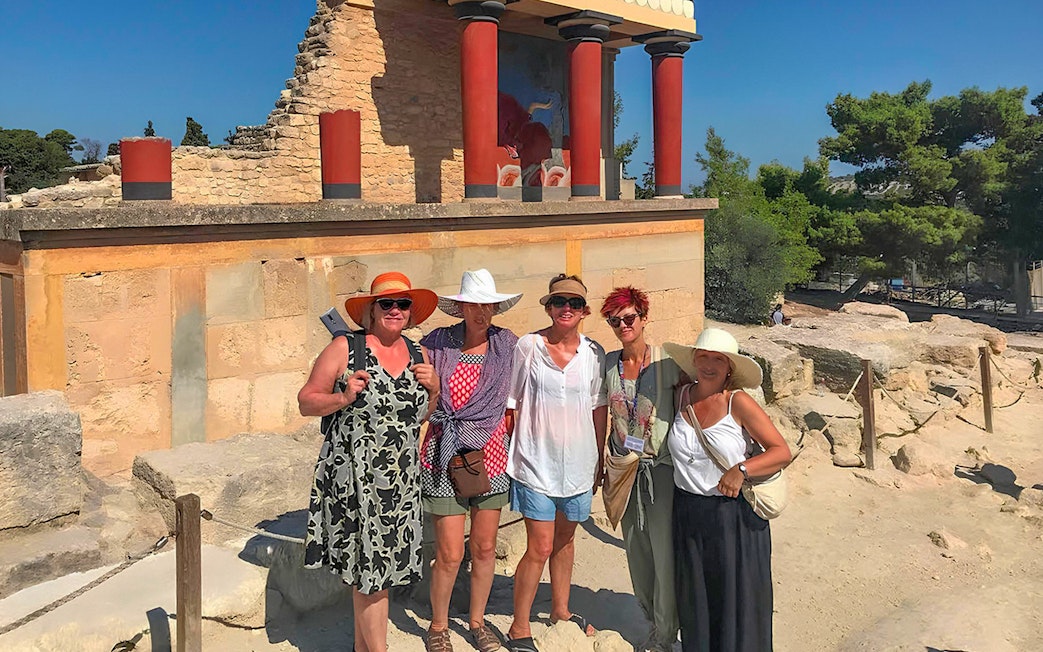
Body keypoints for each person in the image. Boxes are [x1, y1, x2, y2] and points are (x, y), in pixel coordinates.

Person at [298, 272, 441, 652]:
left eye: (403, 304)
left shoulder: (418, 354)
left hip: (400, 482)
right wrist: (343, 397)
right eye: (387, 304)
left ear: (411, 313)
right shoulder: (347, 348)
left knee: (380, 573)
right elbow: (306, 401)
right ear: (372, 310)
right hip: (356, 480)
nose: (395, 310)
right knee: (371, 574)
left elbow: (416, 417)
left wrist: (436, 390)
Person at [663, 328, 792, 652]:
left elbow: (780, 451)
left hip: (732, 516)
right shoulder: (680, 396)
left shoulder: (739, 402)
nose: (708, 364)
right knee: (696, 595)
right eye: (703, 357)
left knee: (737, 599)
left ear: (729, 367)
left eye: (717, 359)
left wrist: (742, 469)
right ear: (694, 360)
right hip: (688, 511)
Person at [419, 269, 522, 652]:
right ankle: (438, 626)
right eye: (474, 305)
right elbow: (418, 396)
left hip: (490, 455)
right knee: (449, 552)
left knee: (483, 546)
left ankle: (478, 623)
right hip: (444, 452)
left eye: (487, 305)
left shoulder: (507, 344)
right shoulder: (436, 343)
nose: (481, 313)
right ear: (461, 306)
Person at [504, 274, 608, 652]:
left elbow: (599, 407)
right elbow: (511, 402)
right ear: (548, 307)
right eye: (560, 301)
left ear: (584, 311)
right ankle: (519, 626)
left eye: (575, 303)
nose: (567, 308)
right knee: (541, 545)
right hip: (535, 462)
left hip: (579, 464)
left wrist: (598, 458)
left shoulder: (593, 353)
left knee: (565, 540)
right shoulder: (528, 347)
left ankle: (560, 610)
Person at [598, 287, 683, 652]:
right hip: (622, 470)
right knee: (636, 550)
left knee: (664, 555)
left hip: (658, 470)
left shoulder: (666, 364)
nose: (622, 326)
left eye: (629, 318)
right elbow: (601, 414)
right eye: (614, 320)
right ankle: (651, 621)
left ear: (644, 319)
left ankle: (666, 635)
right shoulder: (609, 365)